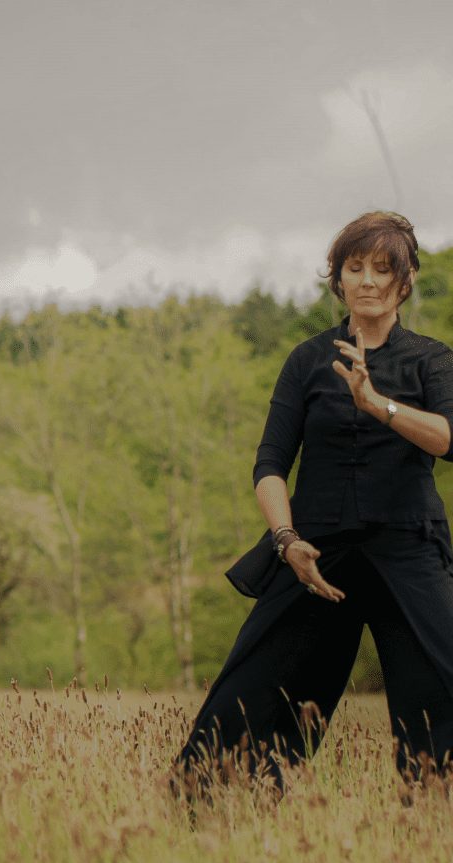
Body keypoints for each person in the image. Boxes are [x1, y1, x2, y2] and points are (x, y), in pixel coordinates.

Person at [169, 210, 453, 809]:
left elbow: (449, 438)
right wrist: (285, 539)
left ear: (405, 282)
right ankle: (218, 808)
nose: (368, 280)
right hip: (315, 552)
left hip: (408, 548)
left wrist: (377, 403)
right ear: (338, 280)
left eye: (383, 269)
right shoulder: (306, 361)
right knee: (249, 687)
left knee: (440, 685)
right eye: (355, 268)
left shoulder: (431, 360)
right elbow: (269, 463)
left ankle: (432, 816)